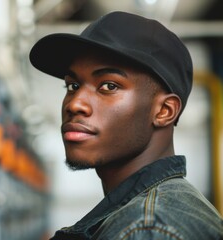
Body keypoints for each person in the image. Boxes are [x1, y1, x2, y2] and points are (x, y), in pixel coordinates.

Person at [29, 11, 223, 240]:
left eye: (109, 86)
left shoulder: (148, 229)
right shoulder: (156, 214)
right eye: (72, 86)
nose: (75, 104)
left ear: (164, 111)